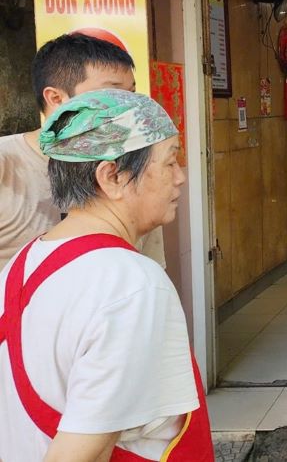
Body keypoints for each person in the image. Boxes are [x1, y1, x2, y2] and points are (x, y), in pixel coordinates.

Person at [0, 89, 212, 461]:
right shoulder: (131, 285)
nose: (180, 178)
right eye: (170, 162)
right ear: (111, 176)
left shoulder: (23, 261)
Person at [0, 33, 166, 272]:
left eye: (131, 94)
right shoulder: (7, 164)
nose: (128, 107)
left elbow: (150, 271)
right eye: (113, 94)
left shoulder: (133, 169)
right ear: (56, 98)